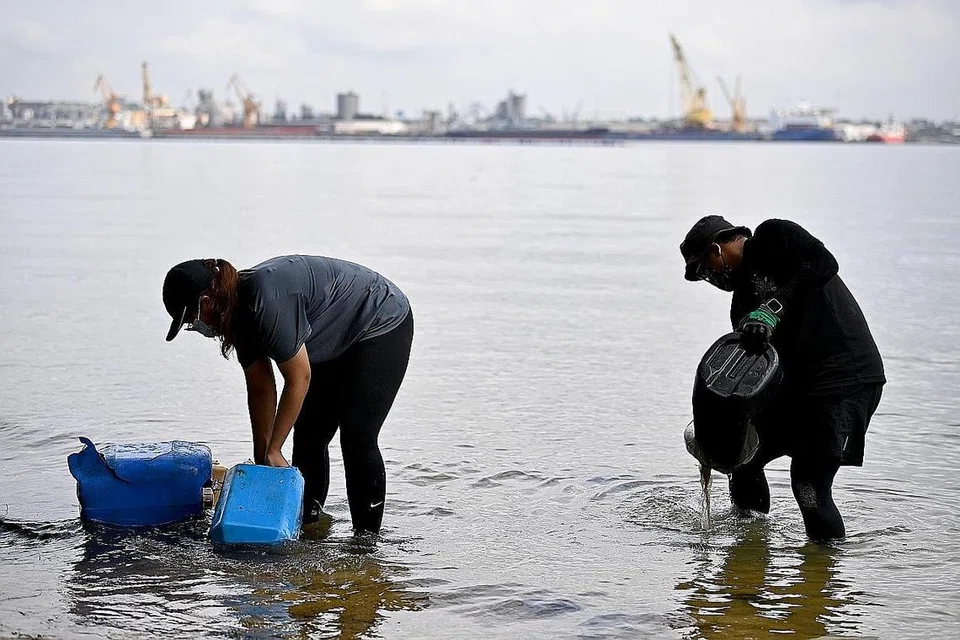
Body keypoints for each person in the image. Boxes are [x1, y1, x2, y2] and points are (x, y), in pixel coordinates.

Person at [162, 255, 414, 536]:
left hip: (379, 319)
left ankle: (365, 545)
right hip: (330, 336)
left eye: (192, 320)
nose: (198, 328)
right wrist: (263, 457)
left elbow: (298, 377)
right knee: (309, 434)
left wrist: (274, 449)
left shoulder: (265, 298)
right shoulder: (237, 315)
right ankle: (308, 524)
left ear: (206, 301)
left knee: (357, 436)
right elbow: (260, 389)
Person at [680, 215, 885, 540]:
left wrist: (773, 307)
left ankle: (824, 576)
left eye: (705, 270)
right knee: (745, 460)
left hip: (845, 378)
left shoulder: (774, 238)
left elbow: (822, 263)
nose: (711, 279)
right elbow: (759, 377)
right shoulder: (742, 308)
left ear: (717, 250)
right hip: (799, 388)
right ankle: (748, 548)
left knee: (808, 480)